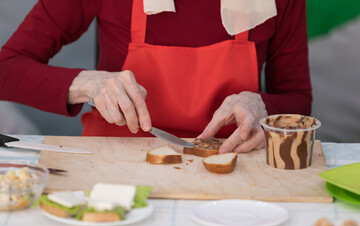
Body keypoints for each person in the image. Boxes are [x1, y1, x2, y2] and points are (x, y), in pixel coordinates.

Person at [0, 0, 311, 154]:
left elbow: (297, 100)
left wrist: (261, 106)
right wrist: (88, 84)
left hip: (234, 166)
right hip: (113, 164)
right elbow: (7, 68)